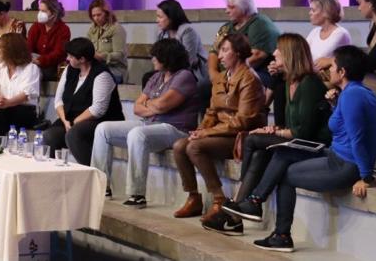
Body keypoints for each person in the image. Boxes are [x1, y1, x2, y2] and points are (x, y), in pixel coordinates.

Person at [232, 46, 376, 253]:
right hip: (335, 155)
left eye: (333, 66)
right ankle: (255, 203)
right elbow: (346, 129)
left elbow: (359, 139)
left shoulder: (353, 95)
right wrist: (334, 104)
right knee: (283, 152)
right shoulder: (352, 93)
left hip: (345, 165)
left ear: (342, 72)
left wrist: (365, 176)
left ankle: (280, 234)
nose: (329, 69)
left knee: (286, 175)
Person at [203, 33, 331, 236]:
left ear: (289, 54)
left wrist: (278, 131)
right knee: (260, 152)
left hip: (313, 144)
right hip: (296, 140)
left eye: (279, 50)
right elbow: (291, 124)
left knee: (254, 140)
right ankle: (241, 211)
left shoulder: (309, 84)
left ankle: (245, 202)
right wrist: (274, 129)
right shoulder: (288, 82)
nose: (274, 53)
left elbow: (304, 132)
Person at [91, 37, 200, 208]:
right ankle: (101, 186)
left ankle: (137, 194)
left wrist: (150, 104)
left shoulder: (184, 76)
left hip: (175, 129)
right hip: (149, 124)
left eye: (156, 56)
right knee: (103, 129)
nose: (153, 59)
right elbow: (137, 107)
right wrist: (155, 106)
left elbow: (163, 105)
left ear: (168, 57)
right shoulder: (156, 77)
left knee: (137, 134)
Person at [172, 34, 267, 222]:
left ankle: (219, 199)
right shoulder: (222, 77)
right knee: (179, 146)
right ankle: (193, 197)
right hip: (220, 132)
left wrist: (206, 133)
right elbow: (211, 112)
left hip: (241, 137)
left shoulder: (249, 79)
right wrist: (199, 131)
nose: (220, 56)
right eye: (220, 51)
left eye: (225, 50)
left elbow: (242, 121)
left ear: (238, 52)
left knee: (194, 147)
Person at [43, 38, 124, 165]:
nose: (67, 59)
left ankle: (93, 173)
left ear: (82, 59)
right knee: (50, 135)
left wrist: (74, 122)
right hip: (71, 119)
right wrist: (65, 121)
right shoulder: (70, 70)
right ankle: (51, 172)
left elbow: (98, 109)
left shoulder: (102, 74)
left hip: (99, 120)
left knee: (74, 134)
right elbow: (58, 100)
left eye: (71, 56)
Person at [212, 0, 279, 90]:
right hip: (228, 73)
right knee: (204, 86)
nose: (226, 11)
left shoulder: (260, 24)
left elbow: (257, 56)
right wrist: (213, 74)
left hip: (258, 73)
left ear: (244, 7)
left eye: (231, 7)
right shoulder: (227, 27)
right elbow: (213, 52)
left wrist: (229, 75)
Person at [0, 33, 41, 137]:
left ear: (11, 50)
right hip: (2, 109)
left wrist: (7, 103)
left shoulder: (31, 68)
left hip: (24, 110)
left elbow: (26, 94)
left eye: (1, 47)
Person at [154, 0, 208, 89]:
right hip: (167, 71)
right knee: (148, 78)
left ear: (171, 17)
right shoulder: (161, 33)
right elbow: (156, 55)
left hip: (190, 72)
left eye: (160, 17)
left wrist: (169, 73)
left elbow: (189, 61)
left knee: (173, 82)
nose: (157, 20)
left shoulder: (187, 30)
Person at [304, 0, 352, 79]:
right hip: (312, 75)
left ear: (326, 12)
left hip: (328, 79)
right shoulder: (314, 32)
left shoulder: (340, 34)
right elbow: (303, 53)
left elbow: (319, 61)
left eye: (313, 10)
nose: (309, 13)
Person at [26, 0, 71, 81]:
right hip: (34, 62)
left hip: (52, 65)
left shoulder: (63, 29)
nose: (40, 13)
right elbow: (29, 46)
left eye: (43, 11)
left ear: (54, 13)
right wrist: (30, 59)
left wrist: (40, 60)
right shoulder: (36, 26)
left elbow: (59, 53)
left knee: (32, 71)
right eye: (39, 10)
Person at [85, 0, 128, 83]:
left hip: (115, 70)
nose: (96, 18)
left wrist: (102, 57)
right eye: (93, 16)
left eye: (99, 15)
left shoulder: (116, 29)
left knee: (93, 78)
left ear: (107, 14)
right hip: (96, 68)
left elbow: (120, 55)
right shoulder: (92, 30)